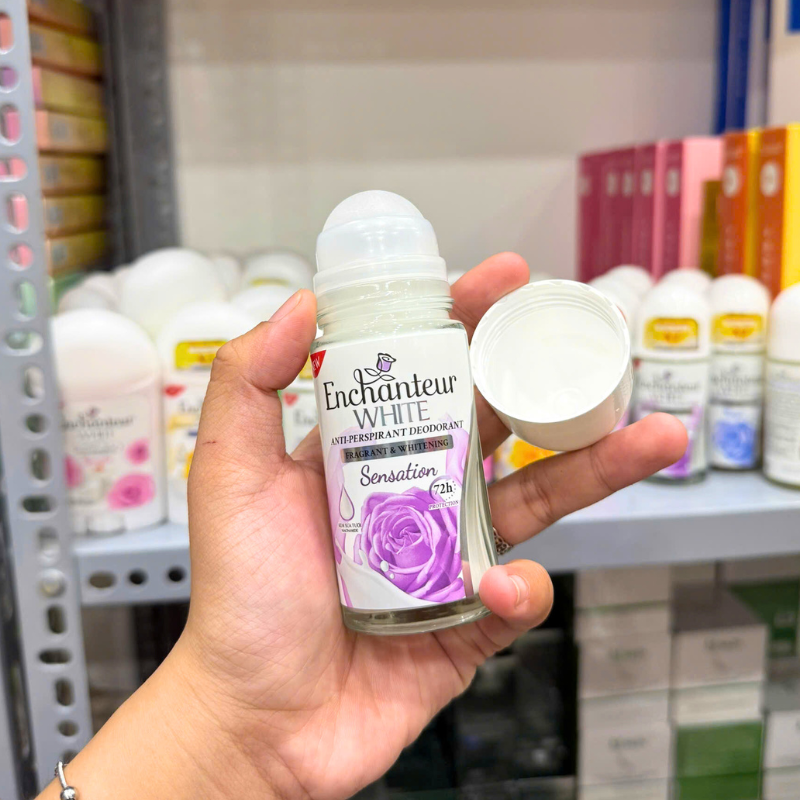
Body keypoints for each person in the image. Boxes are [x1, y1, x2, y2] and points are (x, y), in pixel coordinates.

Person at [41, 254, 686, 800]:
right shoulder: (338, 354)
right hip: (354, 619)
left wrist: (232, 735)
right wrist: (231, 722)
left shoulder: (442, 339)